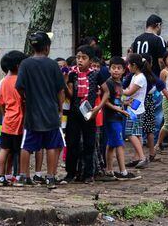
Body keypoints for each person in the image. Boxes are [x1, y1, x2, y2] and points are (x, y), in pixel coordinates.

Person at [15, 32, 66, 189]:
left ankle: (23, 177)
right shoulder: (52, 65)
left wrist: (26, 98)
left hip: (32, 112)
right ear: (47, 47)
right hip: (51, 112)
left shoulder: (25, 64)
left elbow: (19, 87)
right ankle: (50, 178)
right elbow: (60, 90)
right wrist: (60, 108)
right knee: (52, 145)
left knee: (27, 145)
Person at [63, 45, 109, 184]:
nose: (80, 60)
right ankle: (70, 173)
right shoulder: (72, 74)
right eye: (78, 57)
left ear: (90, 60)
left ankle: (89, 174)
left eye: (84, 58)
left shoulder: (96, 74)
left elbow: (106, 92)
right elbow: (70, 95)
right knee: (72, 144)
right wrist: (65, 82)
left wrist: (97, 108)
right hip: (74, 113)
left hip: (90, 113)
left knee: (89, 144)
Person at [100, 56, 141, 180]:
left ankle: (109, 169)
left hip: (119, 116)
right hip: (111, 117)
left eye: (119, 68)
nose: (116, 70)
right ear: (109, 69)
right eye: (113, 68)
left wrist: (126, 103)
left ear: (124, 70)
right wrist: (117, 109)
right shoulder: (108, 83)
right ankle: (123, 171)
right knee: (119, 144)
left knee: (111, 144)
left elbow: (119, 97)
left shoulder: (120, 83)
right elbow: (105, 101)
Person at [0, 50, 27, 186]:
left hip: (7, 120)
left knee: (5, 149)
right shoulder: (21, 81)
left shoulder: (4, 82)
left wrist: (6, 115)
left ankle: (2, 176)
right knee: (20, 150)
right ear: (19, 65)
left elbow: (1, 103)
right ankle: (19, 176)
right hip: (20, 121)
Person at [123, 53, 151, 169]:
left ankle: (142, 157)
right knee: (137, 134)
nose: (127, 67)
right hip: (135, 108)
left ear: (134, 65)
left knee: (130, 133)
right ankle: (137, 157)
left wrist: (118, 88)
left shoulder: (139, 78)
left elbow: (129, 92)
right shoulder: (136, 76)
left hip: (135, 110)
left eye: (128, 65)